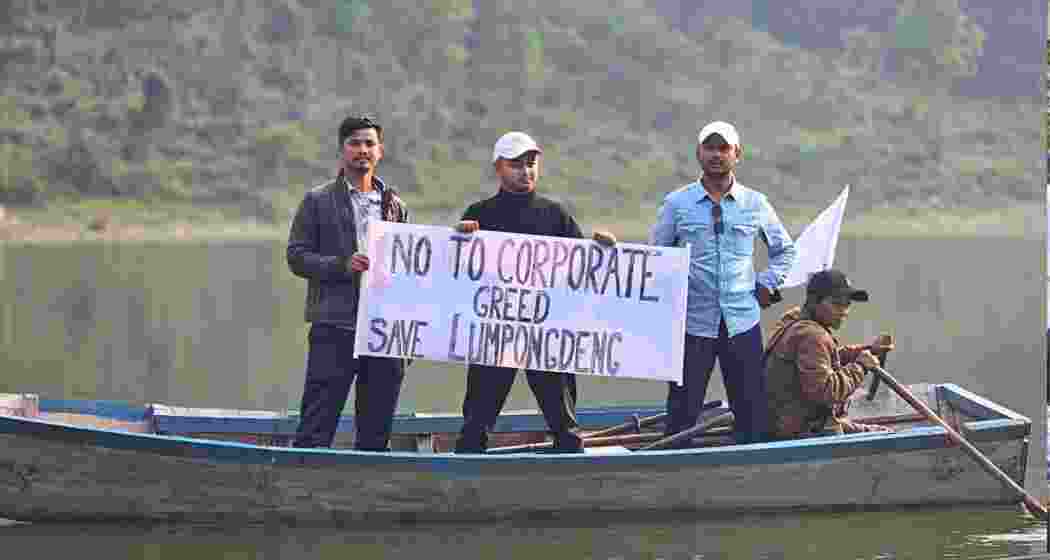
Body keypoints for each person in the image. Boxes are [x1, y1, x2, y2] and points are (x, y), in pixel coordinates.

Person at [452, 131, 615, 454]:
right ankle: (464, 473)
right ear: (498, 167)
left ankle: (571, 469)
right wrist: (461, 237)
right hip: (495, 332)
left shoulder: (556, 215)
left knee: (564, 420)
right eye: (516, 164)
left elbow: (583, 271)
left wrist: (602, 249)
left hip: (547, 332)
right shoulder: (478, 214)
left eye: (531, 163)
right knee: (476, 420)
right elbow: (455, 274)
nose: (525, 171)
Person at [650, 121, 797, 445]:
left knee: (751, 411)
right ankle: (672, 472)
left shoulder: (755, 203)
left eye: (723, 148)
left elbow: (785, 250)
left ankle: (748, 471)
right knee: (682, 412)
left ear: (737, 154)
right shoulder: (677, 204)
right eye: (710, 148)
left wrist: (768, 282)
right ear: (698, 153)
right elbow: (655, 258)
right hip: (692, 323)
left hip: (742, 321)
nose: (716, 155)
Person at [286, 114, 410, 450]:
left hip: (384, 333)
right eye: (354, 143)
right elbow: (296, 257)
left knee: (377, 429)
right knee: (316, 423)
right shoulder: (317, 201)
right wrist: (343, 265)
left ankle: (366, 494)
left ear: (380, 151)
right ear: (342, 151)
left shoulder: (395, 206)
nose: (362, 150)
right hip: (335, 327)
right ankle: (303, 487)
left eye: (369, 143)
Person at [764, 269, 895, 439]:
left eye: (847, 304)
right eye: (836, 304)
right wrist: (861, 367)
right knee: (885, 437)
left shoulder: (794, 320)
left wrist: (868, 351)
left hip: (795, 422)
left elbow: (822, 359)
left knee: (881, 432)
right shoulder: (812, 336)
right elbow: (827, 392)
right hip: (803, 432)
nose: (844, 311)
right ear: (814, 302)